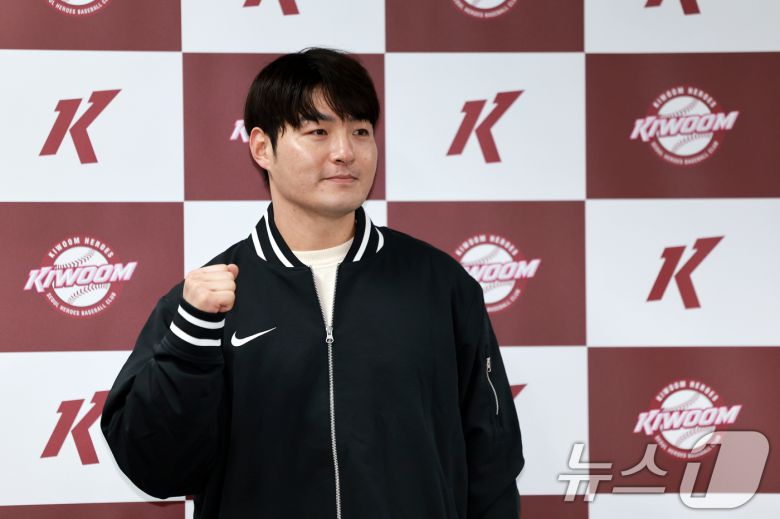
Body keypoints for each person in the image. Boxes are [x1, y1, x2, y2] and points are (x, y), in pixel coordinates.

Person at [101, 47, 524, 518]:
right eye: (318, 132)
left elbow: (492, 465)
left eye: (360, 131)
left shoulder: (440, 285)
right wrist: (189, 345)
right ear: (262, 147)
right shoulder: (205, 302)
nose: (345, 152)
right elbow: (156, 469)